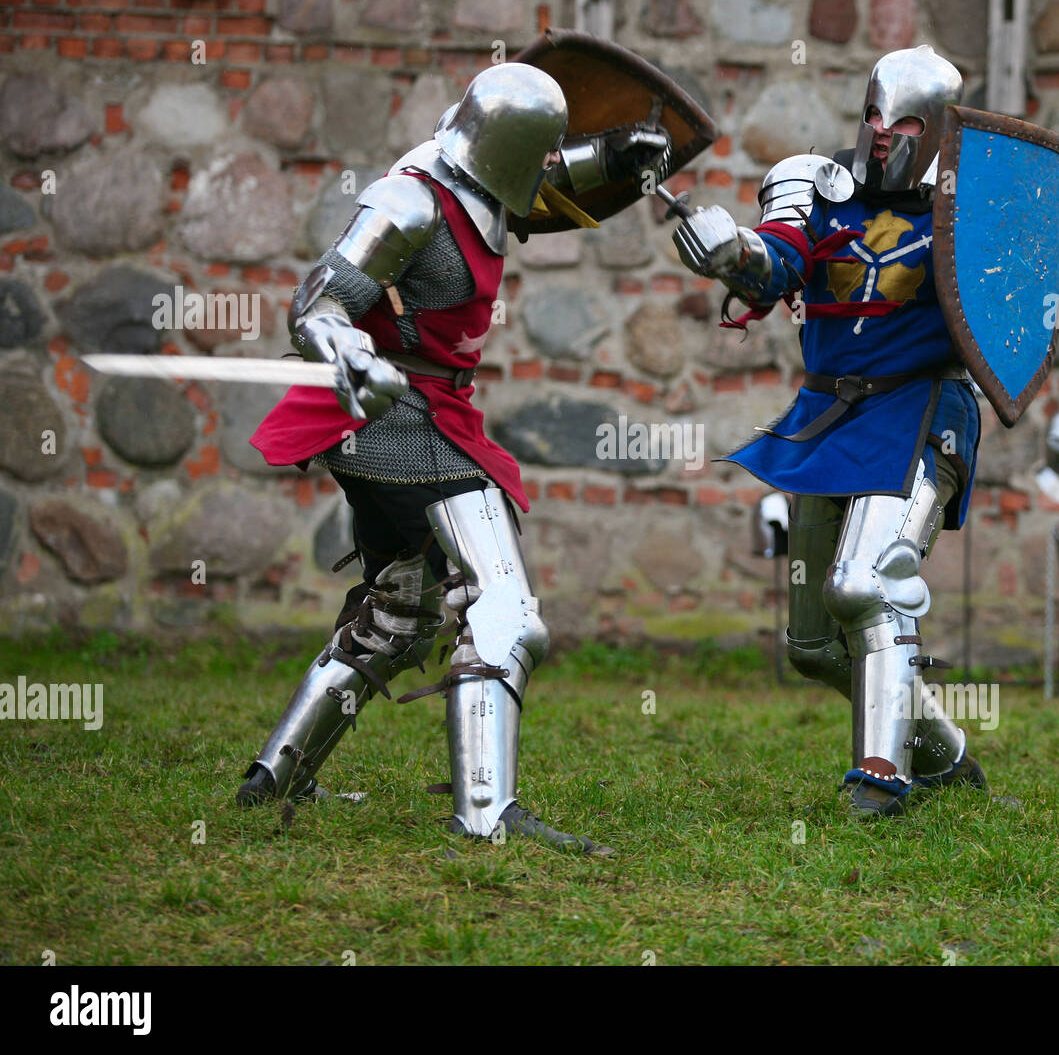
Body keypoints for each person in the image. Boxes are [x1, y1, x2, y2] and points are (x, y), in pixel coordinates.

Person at [237, 62, 666, 851]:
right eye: (546, 148)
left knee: (402, 613)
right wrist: (350, 353)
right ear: (506, 145)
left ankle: (278, 774)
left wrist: (610, 157)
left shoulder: (482, 177)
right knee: (505, 612)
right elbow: (317, 303)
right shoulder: (408, 201)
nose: (551, 162)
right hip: (400, 418)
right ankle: (486, 813)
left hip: (426, 415)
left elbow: (540, 180)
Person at [672, 46, 986, 818]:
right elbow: (777, 262)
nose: (882, 132)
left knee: (866, 585)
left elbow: (1007, 312)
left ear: (939, 130)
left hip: (922, 415)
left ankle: (880, 777)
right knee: (812, 647)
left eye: (905, 123)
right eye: (874, 114)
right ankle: (947, 758)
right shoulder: (812, 184)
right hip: (830, 415)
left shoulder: (968, 207)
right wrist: (733, 250)